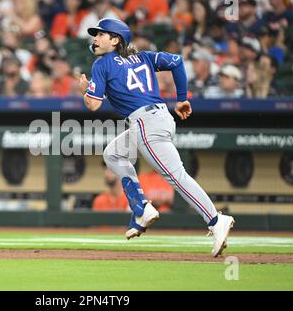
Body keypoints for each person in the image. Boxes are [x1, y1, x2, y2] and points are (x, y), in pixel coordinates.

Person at [79, 18, 235, 257]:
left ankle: (215, 219)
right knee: (113, 153)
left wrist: (85, 90)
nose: (96, 38)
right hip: (159, 119)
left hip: (145, 123)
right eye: (95, 34)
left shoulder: (103, 63)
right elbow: (177, 61)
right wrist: (182, 97)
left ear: (115, 39)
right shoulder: (143, 57)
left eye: (101, 34)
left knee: (176, 176)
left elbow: (92, 105)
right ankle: (141, 207)